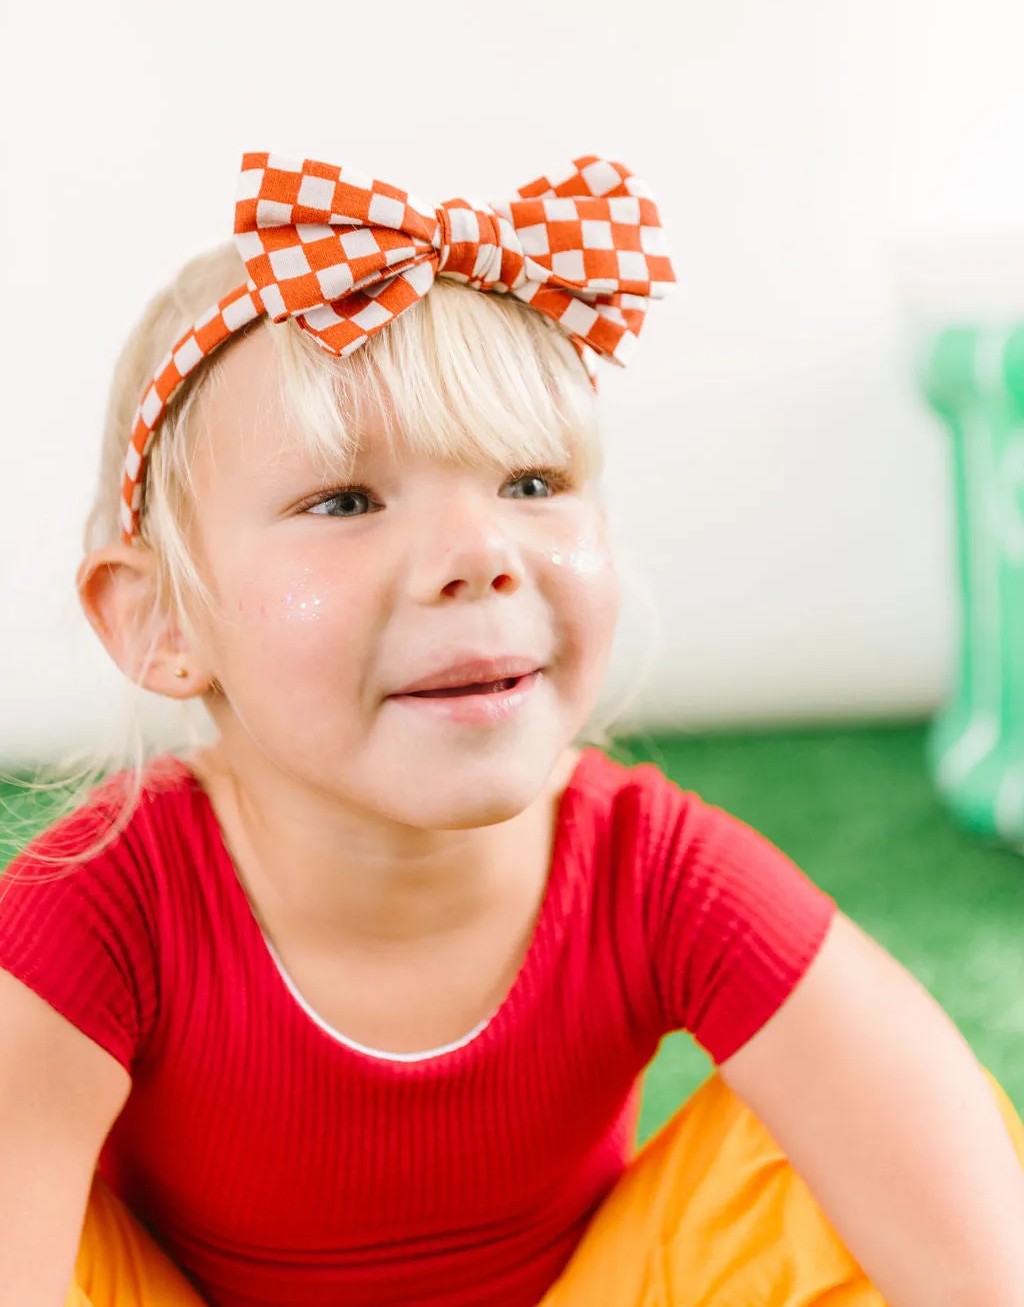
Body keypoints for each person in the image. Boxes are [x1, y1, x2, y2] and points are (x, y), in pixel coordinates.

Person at [1, 151, 1023, 1307]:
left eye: (531, 483)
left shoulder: (651, 870)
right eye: (346, 501)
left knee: (871, 1128)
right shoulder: (104, 906)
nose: (480, 554)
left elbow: (966, 1227)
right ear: (161, 621)